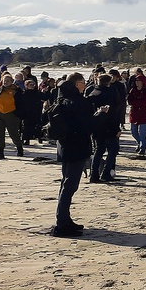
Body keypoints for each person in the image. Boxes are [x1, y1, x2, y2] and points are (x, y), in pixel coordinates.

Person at [51, 72, 102, 237]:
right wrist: (100, 115)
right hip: (76, 146)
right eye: (82, 81)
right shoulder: (78, 101)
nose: (85, 84)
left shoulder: (61, 98)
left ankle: (64, 219)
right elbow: (87, 126)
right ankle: (62, 223)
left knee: (66, 184)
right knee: (69, 186)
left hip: (65, 146)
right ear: (76, 84)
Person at [88, 74, 121, 182]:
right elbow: (115, 110)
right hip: (109, 126)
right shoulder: (110, 92)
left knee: (99, 150)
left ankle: (94, 175)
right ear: (109, 82)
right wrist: (117, 128)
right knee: (113, 148)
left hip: (96, 126)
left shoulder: (93, 92)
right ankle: (106, 173)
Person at [0, 74, 24, 158]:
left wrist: (19, 115)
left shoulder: (17, 91)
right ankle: (0, 152)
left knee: (13, 133)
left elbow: (22, 104)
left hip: (11, 114)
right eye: (4, 80)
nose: (5, 82)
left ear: (12, 81)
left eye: (7, 80)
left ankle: (19, 148)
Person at [127, 75, 146, 156]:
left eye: (139, 81)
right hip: (134, 113)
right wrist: (137, 102)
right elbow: (130, 101)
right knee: (133, 132)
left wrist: (136, 102)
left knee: (143, 133)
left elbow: (145, 102)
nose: (137, 83)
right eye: (136, 81)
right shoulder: (132, 90)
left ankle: (142, 148)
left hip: (144, 114)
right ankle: (139, 143)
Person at [19, 79, 45, 146]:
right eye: (31, 85)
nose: (32, 86)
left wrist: (46, 92)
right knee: (26, 127)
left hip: (36, 111)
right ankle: (26, 140)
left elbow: (45, 97)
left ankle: (39, 138)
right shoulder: (24, 93)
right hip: (27, 112)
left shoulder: (37, 92)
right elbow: (21, 103)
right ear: (27, 86)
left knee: (38, 126)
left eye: (33, 85)